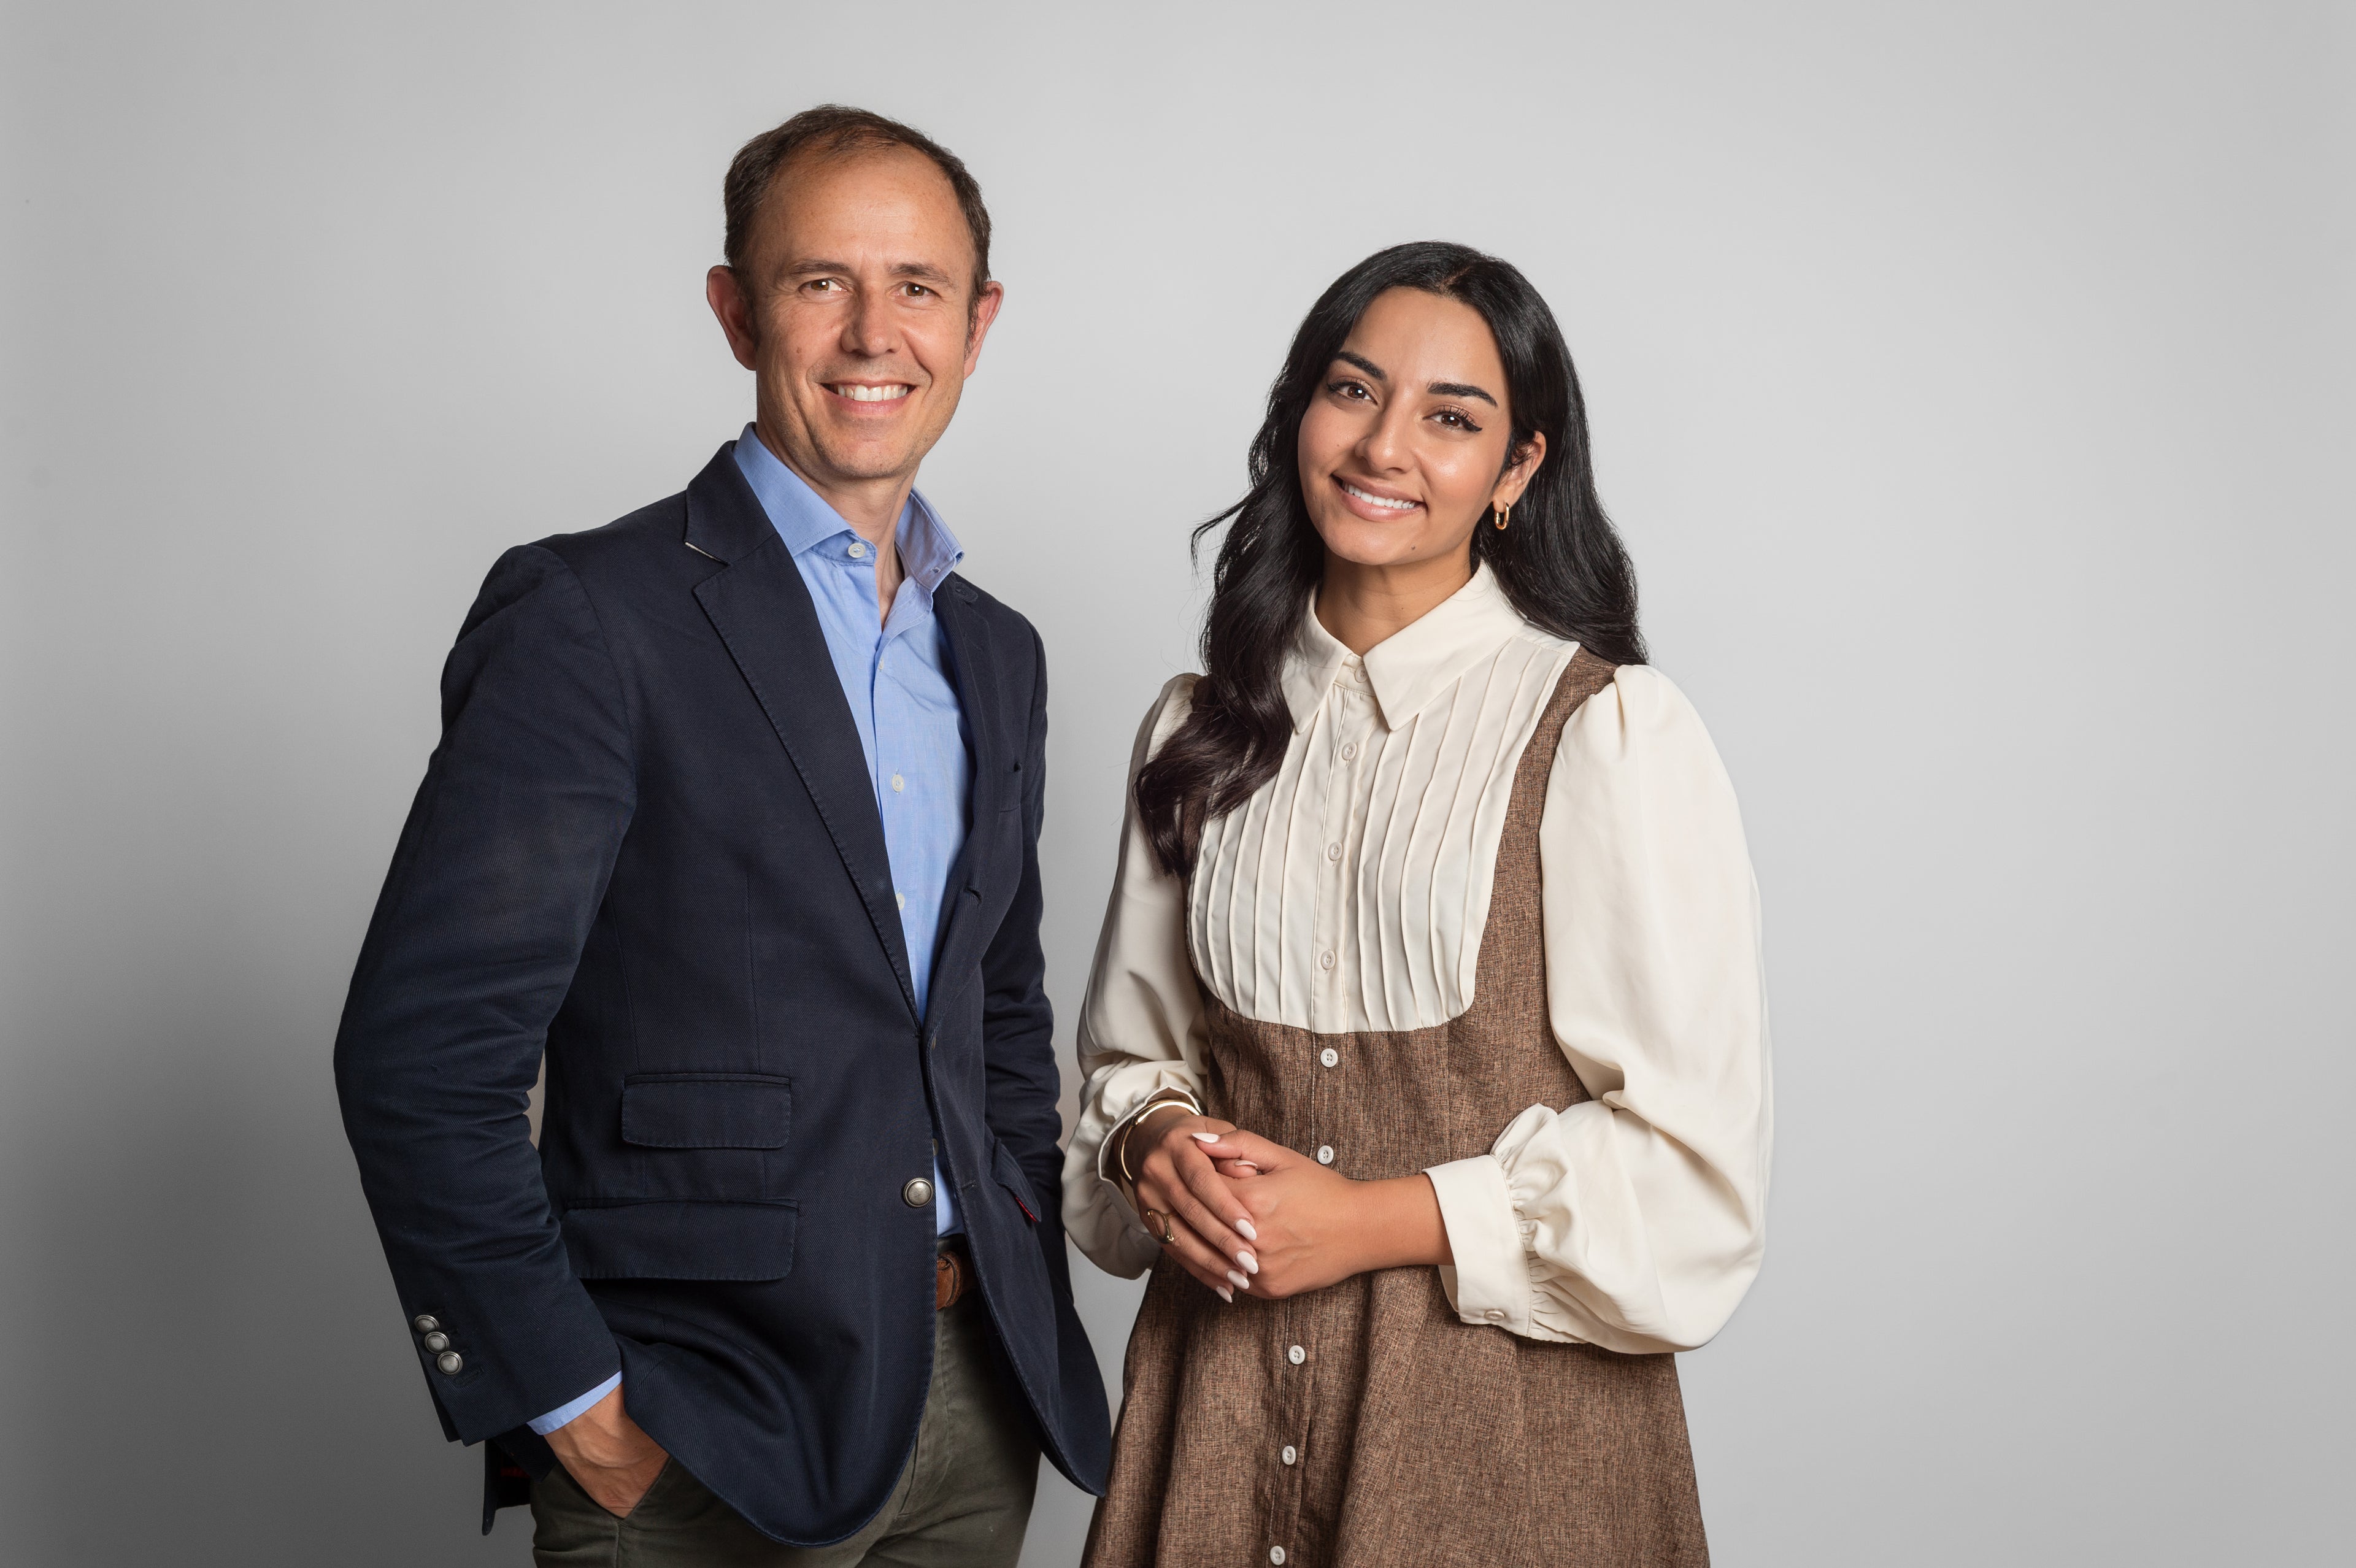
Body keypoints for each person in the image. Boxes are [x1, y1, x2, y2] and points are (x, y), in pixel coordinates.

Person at [334, 105, 1110, 1564]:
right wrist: (572, 1404)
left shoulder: (996, 651)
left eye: (919, 287)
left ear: (979, 322)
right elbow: (419, 1059)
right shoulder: (589, 618)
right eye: (821, 281)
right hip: (699, 1425)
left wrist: (1015, 1267)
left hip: (974, 1400)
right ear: (737, 310)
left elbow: (996, 1019)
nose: (874, 333)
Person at [1063, 241, 1771, 1566]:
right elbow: (1129, 1060)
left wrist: (1372, 1222)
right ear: (1298, 417)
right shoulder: (1200, 729)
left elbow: (1695, 1182)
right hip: (1214, 1422)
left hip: (1506, 1453)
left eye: (1452, 417)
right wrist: (1152, 1142)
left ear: (1517, 471)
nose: (1385, 446)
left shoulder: (1608, 732)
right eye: (1353, 391)